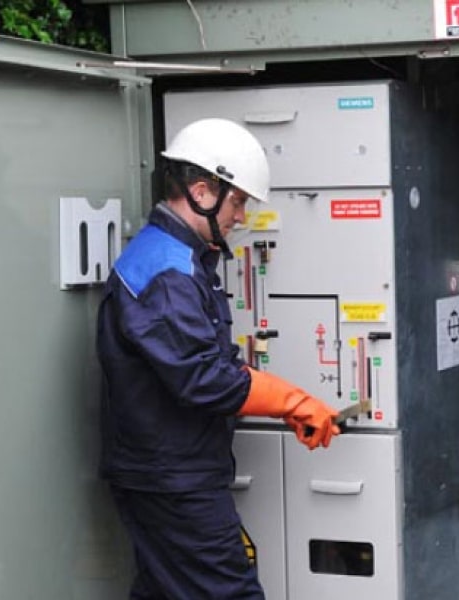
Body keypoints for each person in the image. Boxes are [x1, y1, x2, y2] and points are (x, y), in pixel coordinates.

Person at [96, 118, 339, 599]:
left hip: (167, 472)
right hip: (174, 481)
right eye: (239, 201)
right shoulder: (167, 271)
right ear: (203, 192)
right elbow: (205, 377)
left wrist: (281, 402)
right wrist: (294, 402)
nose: (242, 217)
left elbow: (207, 363)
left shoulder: (180, 259)